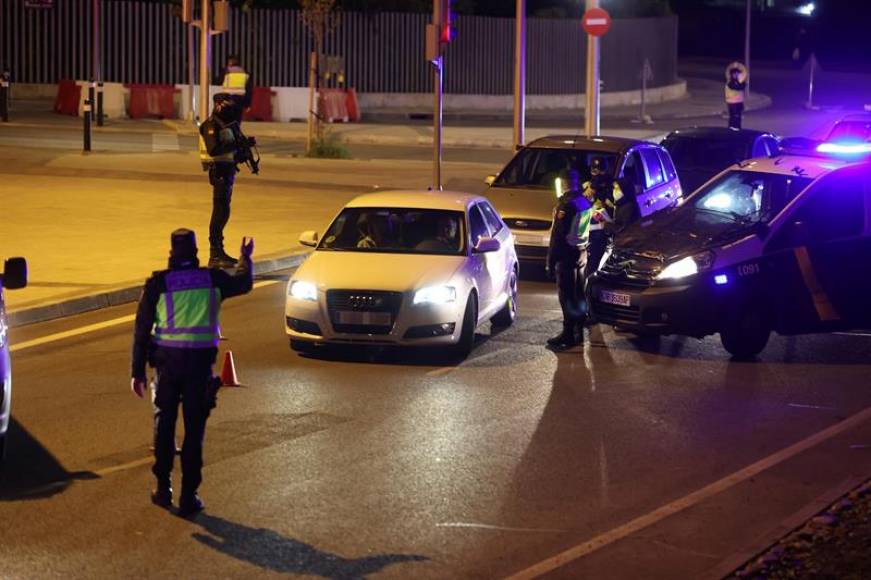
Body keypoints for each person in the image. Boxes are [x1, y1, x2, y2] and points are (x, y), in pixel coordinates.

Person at [130, 229, 254, 516]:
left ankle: (163, 489)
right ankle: (189, 496)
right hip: (199, 367)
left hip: (167, 366)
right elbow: (244, 282)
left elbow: (140, 331)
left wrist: (136, 371)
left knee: (164, 426)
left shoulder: (158, 284)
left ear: (172, 252)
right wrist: (246, 258)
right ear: (196, 251)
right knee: (194, 430)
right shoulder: (212, 279)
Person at [546, 168, 593, 350]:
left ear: (564, 183)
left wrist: (551, 260)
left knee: (566, 296)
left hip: (566, 253)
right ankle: (578, 333)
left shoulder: (567, 205)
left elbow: (558, 234)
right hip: (581, 252)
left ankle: (568, 335)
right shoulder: (584, 201)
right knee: (579, 294)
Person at [200, 93, 243, 268]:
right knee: (219, 212)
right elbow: (213, 149)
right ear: (218, 105)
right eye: (227, 105)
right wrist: (236, 146)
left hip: (228, 171)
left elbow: (232, 148)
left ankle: (220, 252)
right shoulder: (211, 125)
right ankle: (215, 253)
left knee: (224, 211)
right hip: (218, 172)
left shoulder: (228, 124)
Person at [583, 157, 624, 279]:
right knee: (589, 263)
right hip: (590, 229)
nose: (598, 174)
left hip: (604, 229)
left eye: (600, 171)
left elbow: (619, 202)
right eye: (595, 171)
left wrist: (605, 197)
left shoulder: (614, 186)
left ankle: (591, 285)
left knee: (597, 263)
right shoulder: (588, 186)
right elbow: (583, 202)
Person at [724, 62, 748, 129]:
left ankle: (738, 129)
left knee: (738, 117)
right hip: (732, 103)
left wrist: (743, 83)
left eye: (737, 73)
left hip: (739, 102)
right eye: (735, 74)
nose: (736, 75)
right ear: (731, 74)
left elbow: (742, 86)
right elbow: (738, 88)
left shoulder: (738, 81)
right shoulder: (730, 82)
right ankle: (732, 129)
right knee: (734, 116)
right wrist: (743, 84)